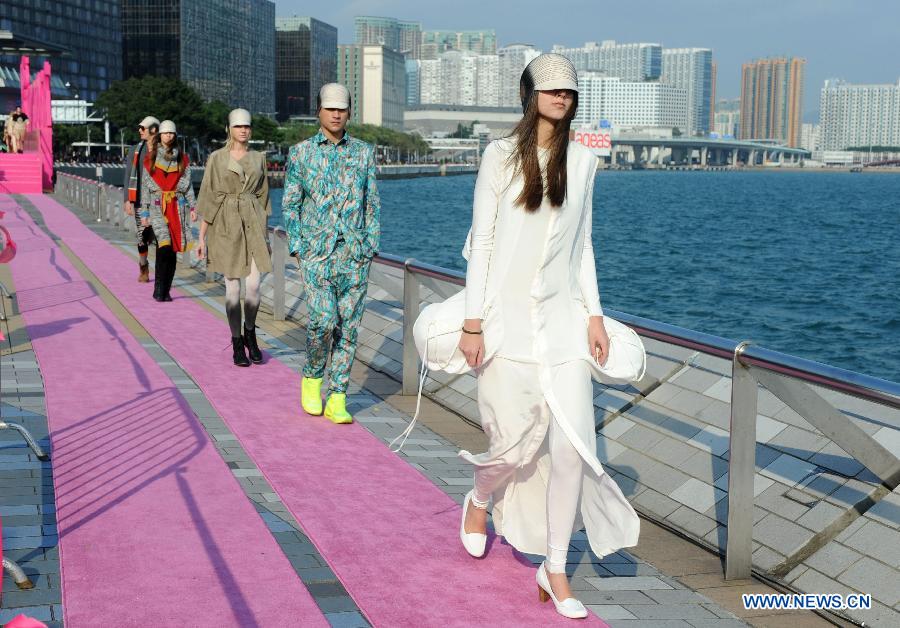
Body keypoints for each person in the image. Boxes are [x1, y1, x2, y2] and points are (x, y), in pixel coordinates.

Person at [456, 54, 640, 619]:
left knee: (571, 450)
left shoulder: (583, 162)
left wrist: (594, 316)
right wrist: (472, 321)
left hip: (563, 326)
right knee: (512, 445)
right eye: (552, 88)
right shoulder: (499, 157)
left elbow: (582, 245)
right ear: (530, 93)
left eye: (570, 90)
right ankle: (480, 496)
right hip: (506, 323)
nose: (562, 96)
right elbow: (483, 242)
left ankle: (554, 568)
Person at [283, 83, 380, 424]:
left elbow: (372, 203)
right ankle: (312, 377)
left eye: (342, 108)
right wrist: (297, 245)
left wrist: (370, 245)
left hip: (354, 253)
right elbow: (291, 203)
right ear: (319, 112)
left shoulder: (364, 153)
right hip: (316, 253)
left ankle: (338, 395)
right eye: (330, 108)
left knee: (349, 328)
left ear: (349, 112)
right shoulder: (301, 153)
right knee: (323, 321)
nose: (336, 114)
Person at [196, 108, 272, 367]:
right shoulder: (216, 158)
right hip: (226, 224)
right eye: (238, 126)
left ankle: (250, 332)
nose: (243, 130)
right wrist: (201, 238)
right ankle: (237, 341)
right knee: (232, 288)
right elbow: (208, 195)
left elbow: (264, 197)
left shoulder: (259, 158)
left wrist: (265, 231)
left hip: (253, 223)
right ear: (229, 128)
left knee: (253, 286)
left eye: (247, 126)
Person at [139, 120, 196, 303]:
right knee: (163, 245)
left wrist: (193, 207)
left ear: (175, 135)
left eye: (171, 133)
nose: (168, 136)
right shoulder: (150, 159)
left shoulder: (183, 159)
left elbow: (188, 186)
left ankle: (166, 289)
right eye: (165, 133)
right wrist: (145, 212)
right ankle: (159, 287)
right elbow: (145, 187)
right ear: (160, 135)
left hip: (176, 207)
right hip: (157, 205)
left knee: (172, 251)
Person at [123, 116, 160, 282]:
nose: (139, 130)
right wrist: (127, 200)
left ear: (154, 130)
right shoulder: (135, 150)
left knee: (161, 239)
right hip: (139, 201)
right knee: (142, 237)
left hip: (160, 202)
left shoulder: (165, 151)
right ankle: (143, 266)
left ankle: (161, 272)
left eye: (142, 128)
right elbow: (127, 176)